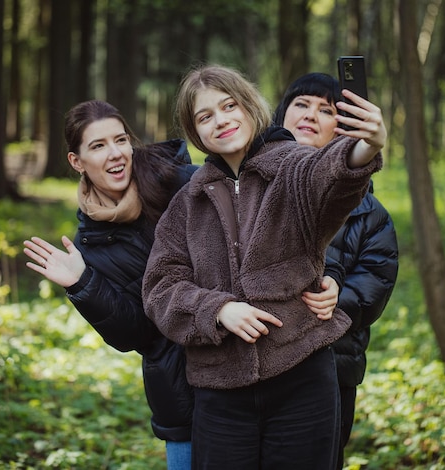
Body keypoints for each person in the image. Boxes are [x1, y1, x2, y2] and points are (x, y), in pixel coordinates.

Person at [141, 64, 387, 469]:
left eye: (229, 106)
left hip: (303, 381)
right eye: (206, 116)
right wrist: (216, 308)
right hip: (219, 393)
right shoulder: (186, 203)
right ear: (195, 130)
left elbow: (332, 175)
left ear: (249, 106)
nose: (221, 121)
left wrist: (368, 145)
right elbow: (160, 287)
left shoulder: (293, 167)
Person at [22, 100, 199, 469]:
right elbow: (134, 334)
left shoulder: (178, 180)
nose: (116, 154)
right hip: (180, 395)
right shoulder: (89, 245)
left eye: (120, 140)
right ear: (76, 161)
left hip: (239, 367)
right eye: (98, 146)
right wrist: (84, 284)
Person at [273, 72, 399, 469]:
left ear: (342, 129)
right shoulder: (250, 188)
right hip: (258, 368)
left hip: (331, 371)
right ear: (281, 116)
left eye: (325, 110)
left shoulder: (369, 213)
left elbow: (375, 282)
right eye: (301, 104)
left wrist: (335, 297)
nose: (311, 114)